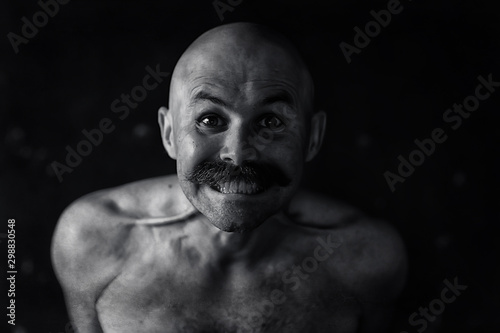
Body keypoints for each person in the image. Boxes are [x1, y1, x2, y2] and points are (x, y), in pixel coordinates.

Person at [51, 22, 407, 332]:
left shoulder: (366, 260)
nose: (237, 153)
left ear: (312, 138)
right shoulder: (92, 240)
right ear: (170, 134)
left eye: (270, 121)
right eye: (210, 120)